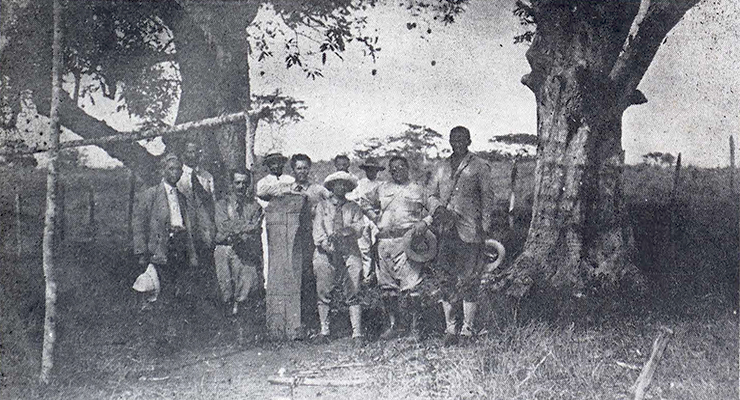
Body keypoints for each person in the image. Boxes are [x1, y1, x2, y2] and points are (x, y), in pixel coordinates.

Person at [427, 126, 496, 346]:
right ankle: (450, 328)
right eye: (453, 139)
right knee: (445, 278)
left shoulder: (479, 166)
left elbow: (487, 197)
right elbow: (430, 194)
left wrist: (485, 227)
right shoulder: (440, 167)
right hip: (446, 231)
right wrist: (438, 209)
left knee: (470, 280)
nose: (457, 142)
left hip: (470, 231)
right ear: (449, 141)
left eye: (461, 139)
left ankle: (468, 329)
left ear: (469, 140)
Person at [133, 153, 198, 352]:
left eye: (178, 169)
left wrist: (192, 253)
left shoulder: (182, 197)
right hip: (161, 249)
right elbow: (139, 223)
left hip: (180, 248)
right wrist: (141, 251)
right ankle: (157, 340)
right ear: (163, 171)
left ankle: (174, 339)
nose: (175, 173)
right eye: (171, 169)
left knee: (178, 293)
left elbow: (188, 227)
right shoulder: (151, 194)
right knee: (158, 293)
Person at [363, 156, 434, 341]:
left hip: (408, 242)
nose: (397, 171)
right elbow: (364, 202)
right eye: (393, 169)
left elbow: (436, 209)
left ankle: (415, 329)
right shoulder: (382, 188)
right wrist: (375, 217)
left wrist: (425, 222)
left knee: (411, 287)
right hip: (385, 242)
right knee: (387, 288)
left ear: (407, 168)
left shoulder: (418, 189)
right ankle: (394, 326)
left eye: (400, 167)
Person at [312, 171, 366, 346]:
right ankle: (324, 330)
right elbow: (318, 231)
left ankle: (357, 333)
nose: (340, 187)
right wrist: (327, 246)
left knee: (354, 287)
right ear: (331, 187)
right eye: (337, 184)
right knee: (323, 288)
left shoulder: (354, 207)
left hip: (349, 250)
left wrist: (347, 231)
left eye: (344, 184)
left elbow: (359, 228)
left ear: (348, 187)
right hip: (326, 251)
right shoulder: (322, 206)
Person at [289, 153, 331, 335]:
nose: (302, 172)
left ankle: (317, 322)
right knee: (298, 277)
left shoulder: (317, 190)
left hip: (313, 238)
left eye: (305, 168)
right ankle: (299, 322)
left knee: (314, 278)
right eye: (299, 168)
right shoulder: (288, 189)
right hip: (295, 239)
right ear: (293, 170)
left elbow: (332, 203)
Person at [214, 168, 263, 319]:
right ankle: (226, 320)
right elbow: (224, 226)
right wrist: (246, 227)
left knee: (245, 287)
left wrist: (244, 228)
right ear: (231, 184)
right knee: (225, 288)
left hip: (243, 247)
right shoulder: (222, 204)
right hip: (224, 247)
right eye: (238, 183)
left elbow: (256, 229)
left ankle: (240, 322)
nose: (241, 186)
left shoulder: (254, 206)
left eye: (245, 183)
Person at [177, 141, 218, 307]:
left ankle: (205, 298)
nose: (193, 155)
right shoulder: (178, 175)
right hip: (185, 221)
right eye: (189, 151)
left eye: (196, 151)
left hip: (203, 223)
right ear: (184, 154)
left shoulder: (207, 176)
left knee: (205, 257)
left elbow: (212, 202)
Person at [256, 153, 295, 285]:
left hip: (289, 219)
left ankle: (288, 283)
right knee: (269, 250)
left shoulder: (290, 180)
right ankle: (270, 284)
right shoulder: (263, 182)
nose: (276, 166)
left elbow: (294, 197)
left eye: (278, 162)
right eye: (272, 163)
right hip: (271, 219)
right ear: (268, 165)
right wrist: (276, 195)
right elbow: (261, 198)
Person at [346, 157, 385, 286]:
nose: (371, 172)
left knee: (378, 247)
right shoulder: (360, 184)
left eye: (374, 170)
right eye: (369, 170)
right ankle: (366, 276)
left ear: (377, 171)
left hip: (377, 218)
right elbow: (353, 199)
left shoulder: (382, 184)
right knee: (364, 248)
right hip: (362, 217)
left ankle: (380, 278)